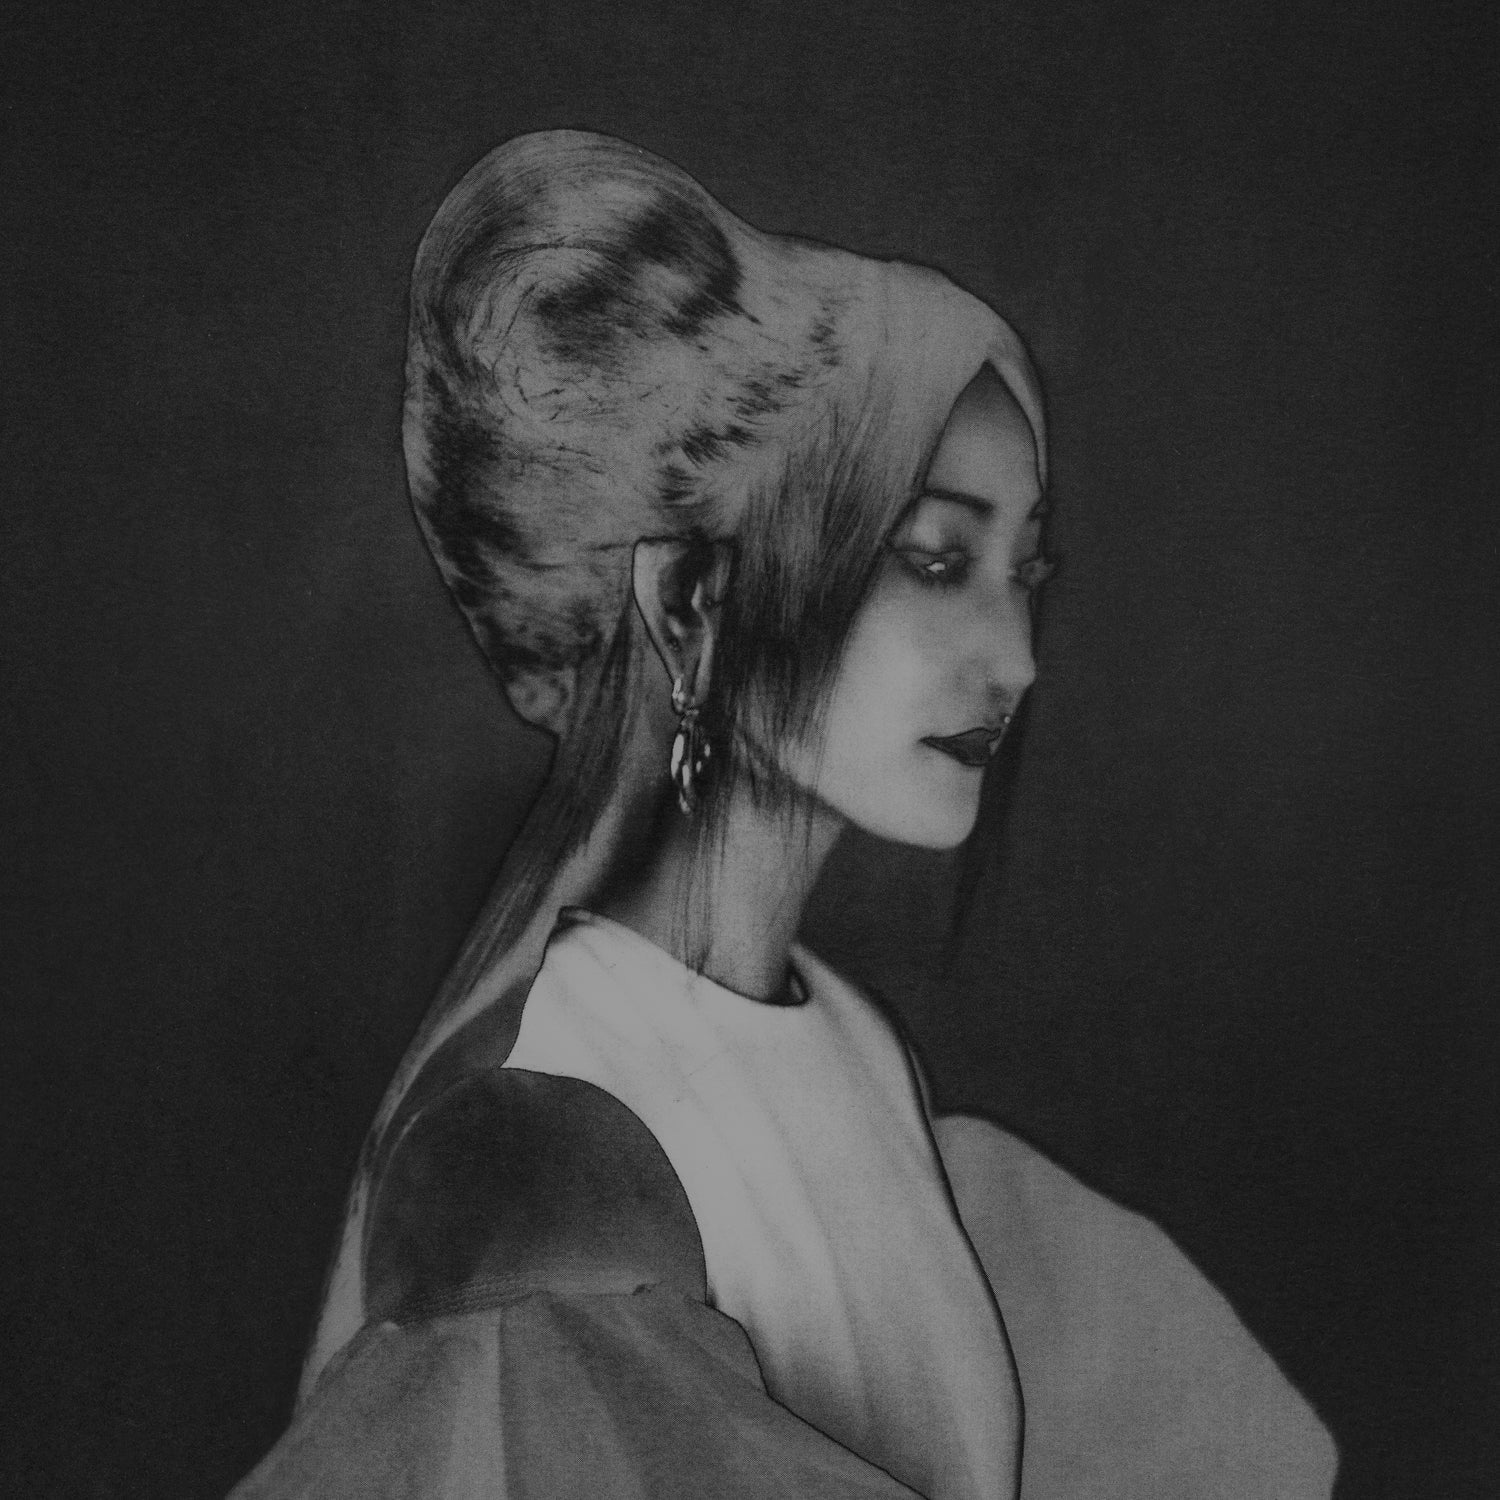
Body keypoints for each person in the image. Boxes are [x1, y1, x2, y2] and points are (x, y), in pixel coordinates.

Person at [231, 130, 1337, 1499]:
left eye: (1026, 569)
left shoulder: (860, 1046)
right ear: (690, 602)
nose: (1015, 659)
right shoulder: (538, 1144)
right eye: (936, 559)